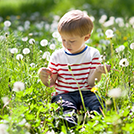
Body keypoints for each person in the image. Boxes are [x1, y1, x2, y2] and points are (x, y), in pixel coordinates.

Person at [38, 10, 111, 128]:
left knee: (97, 103)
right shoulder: (57, 56)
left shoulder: (93, 54)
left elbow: (91, 83)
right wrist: (43, 77)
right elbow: (51, 83)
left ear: (86, 37)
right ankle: (67, 121)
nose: (66, 44)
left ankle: (96, 120)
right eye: (63, 40)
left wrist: (98, 71)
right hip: (64, 94)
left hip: (87, 93)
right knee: (63, 106)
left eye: (71, 41)